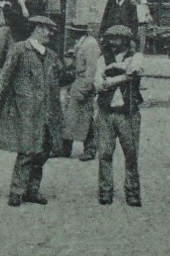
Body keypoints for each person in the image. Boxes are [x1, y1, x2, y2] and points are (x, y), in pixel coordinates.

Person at [0, 13, 64, 207]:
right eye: (48, 30)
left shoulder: (52, 55)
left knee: (43, 150)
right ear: (37, 29)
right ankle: (16, 191)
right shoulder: (20, 49)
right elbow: (5, 74)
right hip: (26, 111)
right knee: (27, 150)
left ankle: (33, 190)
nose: (51, 34)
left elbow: (62, 76)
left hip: (47, 111)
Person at [94, 24, 145, 207]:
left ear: (126, 41)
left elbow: (133, 72)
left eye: (117, 38)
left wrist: (111, 75)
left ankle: (132, 192)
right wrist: (121, 77)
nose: (113, 42)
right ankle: (105, 191)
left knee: (131, 154)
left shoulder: (137, 57)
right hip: (106, 112)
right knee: (105, 153)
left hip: (128, 113)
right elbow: (98, 85)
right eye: (111, 39)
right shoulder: (102, 59)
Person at [61, 21, 103, 161]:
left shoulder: (90, 44)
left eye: (72, 31)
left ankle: (90, 149)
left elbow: (92, 69)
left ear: (78, 32)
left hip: (84, 84)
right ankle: (65, 148)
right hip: (76, 82)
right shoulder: (81, 43)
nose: (70, 33)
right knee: (69, 117)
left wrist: (85, 89)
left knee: (85, 118)